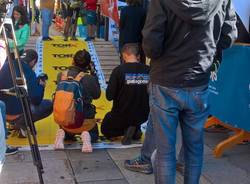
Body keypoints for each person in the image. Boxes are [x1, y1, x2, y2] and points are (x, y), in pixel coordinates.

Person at [142, 0, 238, 183]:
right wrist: (210, 51)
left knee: (165, 152)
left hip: (166, 80)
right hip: (198, 80)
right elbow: (229, 36)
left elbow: (151, 45)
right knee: (194, 149)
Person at [101, 43, 150, 145]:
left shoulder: (118, 71)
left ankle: (129, 129)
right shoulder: (148, 70)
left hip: (121, 114)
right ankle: (134, 128)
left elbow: (109, 96)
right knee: (134, 119)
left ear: (124, 55)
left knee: (105, 129)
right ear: (138, 56)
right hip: (142, 115)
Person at [54, 49, 101, 152]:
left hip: (66, 120)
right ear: (88, 64)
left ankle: (63, 133)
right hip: (85, 120)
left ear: (73, 61)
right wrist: (94, 74)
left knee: (68, 133)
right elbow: (97, 95)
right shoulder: (89, 78)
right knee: (94, 135)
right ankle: (86, 135)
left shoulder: (61, 75)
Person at [0, 49, 53, 138]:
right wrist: (41, 86)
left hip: (3, 110)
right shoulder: (28, 71)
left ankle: (16, 123)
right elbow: (36, 99)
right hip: (17, 112)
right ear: (33, 62)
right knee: (49, 104)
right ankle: (22, 122)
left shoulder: (5, 65)